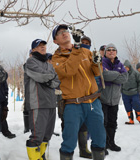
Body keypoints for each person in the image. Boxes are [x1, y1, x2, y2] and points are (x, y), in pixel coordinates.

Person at [51, 24, 106, 160]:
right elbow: (69, 71)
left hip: (93, 102)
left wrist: (96, 62)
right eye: (60, 33)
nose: (64, 33)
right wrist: (77, 48)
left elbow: (98, 73)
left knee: (100, 138)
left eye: (65, 31)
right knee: (69, 141)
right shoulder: (56, 59)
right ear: (55, 41)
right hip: (72, 105)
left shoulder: (85, 52)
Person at [24, 39, 60, 160]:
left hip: (51, 103)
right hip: (38, 103)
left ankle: (40, 156)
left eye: (44, 45)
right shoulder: (30, 62)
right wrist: (50, 78)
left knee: (47, 135)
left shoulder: (49, 65)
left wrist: (49, 80)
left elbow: (57, 81)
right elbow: (42, 77)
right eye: (39, 46)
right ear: (33, 49)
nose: (43, 47)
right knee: (37, 136)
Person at [100, 43, 128, 153]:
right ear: (106, 53)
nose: (111, 51)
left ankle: (111, 142)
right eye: (109, 50)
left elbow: (124, 78)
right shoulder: (101, 63)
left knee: (112, 122)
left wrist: (111, 75)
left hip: (115, 100)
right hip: (103, 99)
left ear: (116, 52)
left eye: (113, 50)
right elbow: (104, 75)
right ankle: (103, 144)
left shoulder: (120, 64)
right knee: (103, 122)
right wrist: (117, 74)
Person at [122, 60, 140, 125]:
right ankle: (131, 119)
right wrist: (121, 90)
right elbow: (119, 82)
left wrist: (139, 89)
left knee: (136, 104)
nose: (126, 69)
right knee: (127, 106)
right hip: (125, 93)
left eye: (127, 67)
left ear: (130, 67)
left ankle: (138, 117)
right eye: (124, 67)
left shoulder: (135, 73)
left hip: (134, 92)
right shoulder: (122, 73)